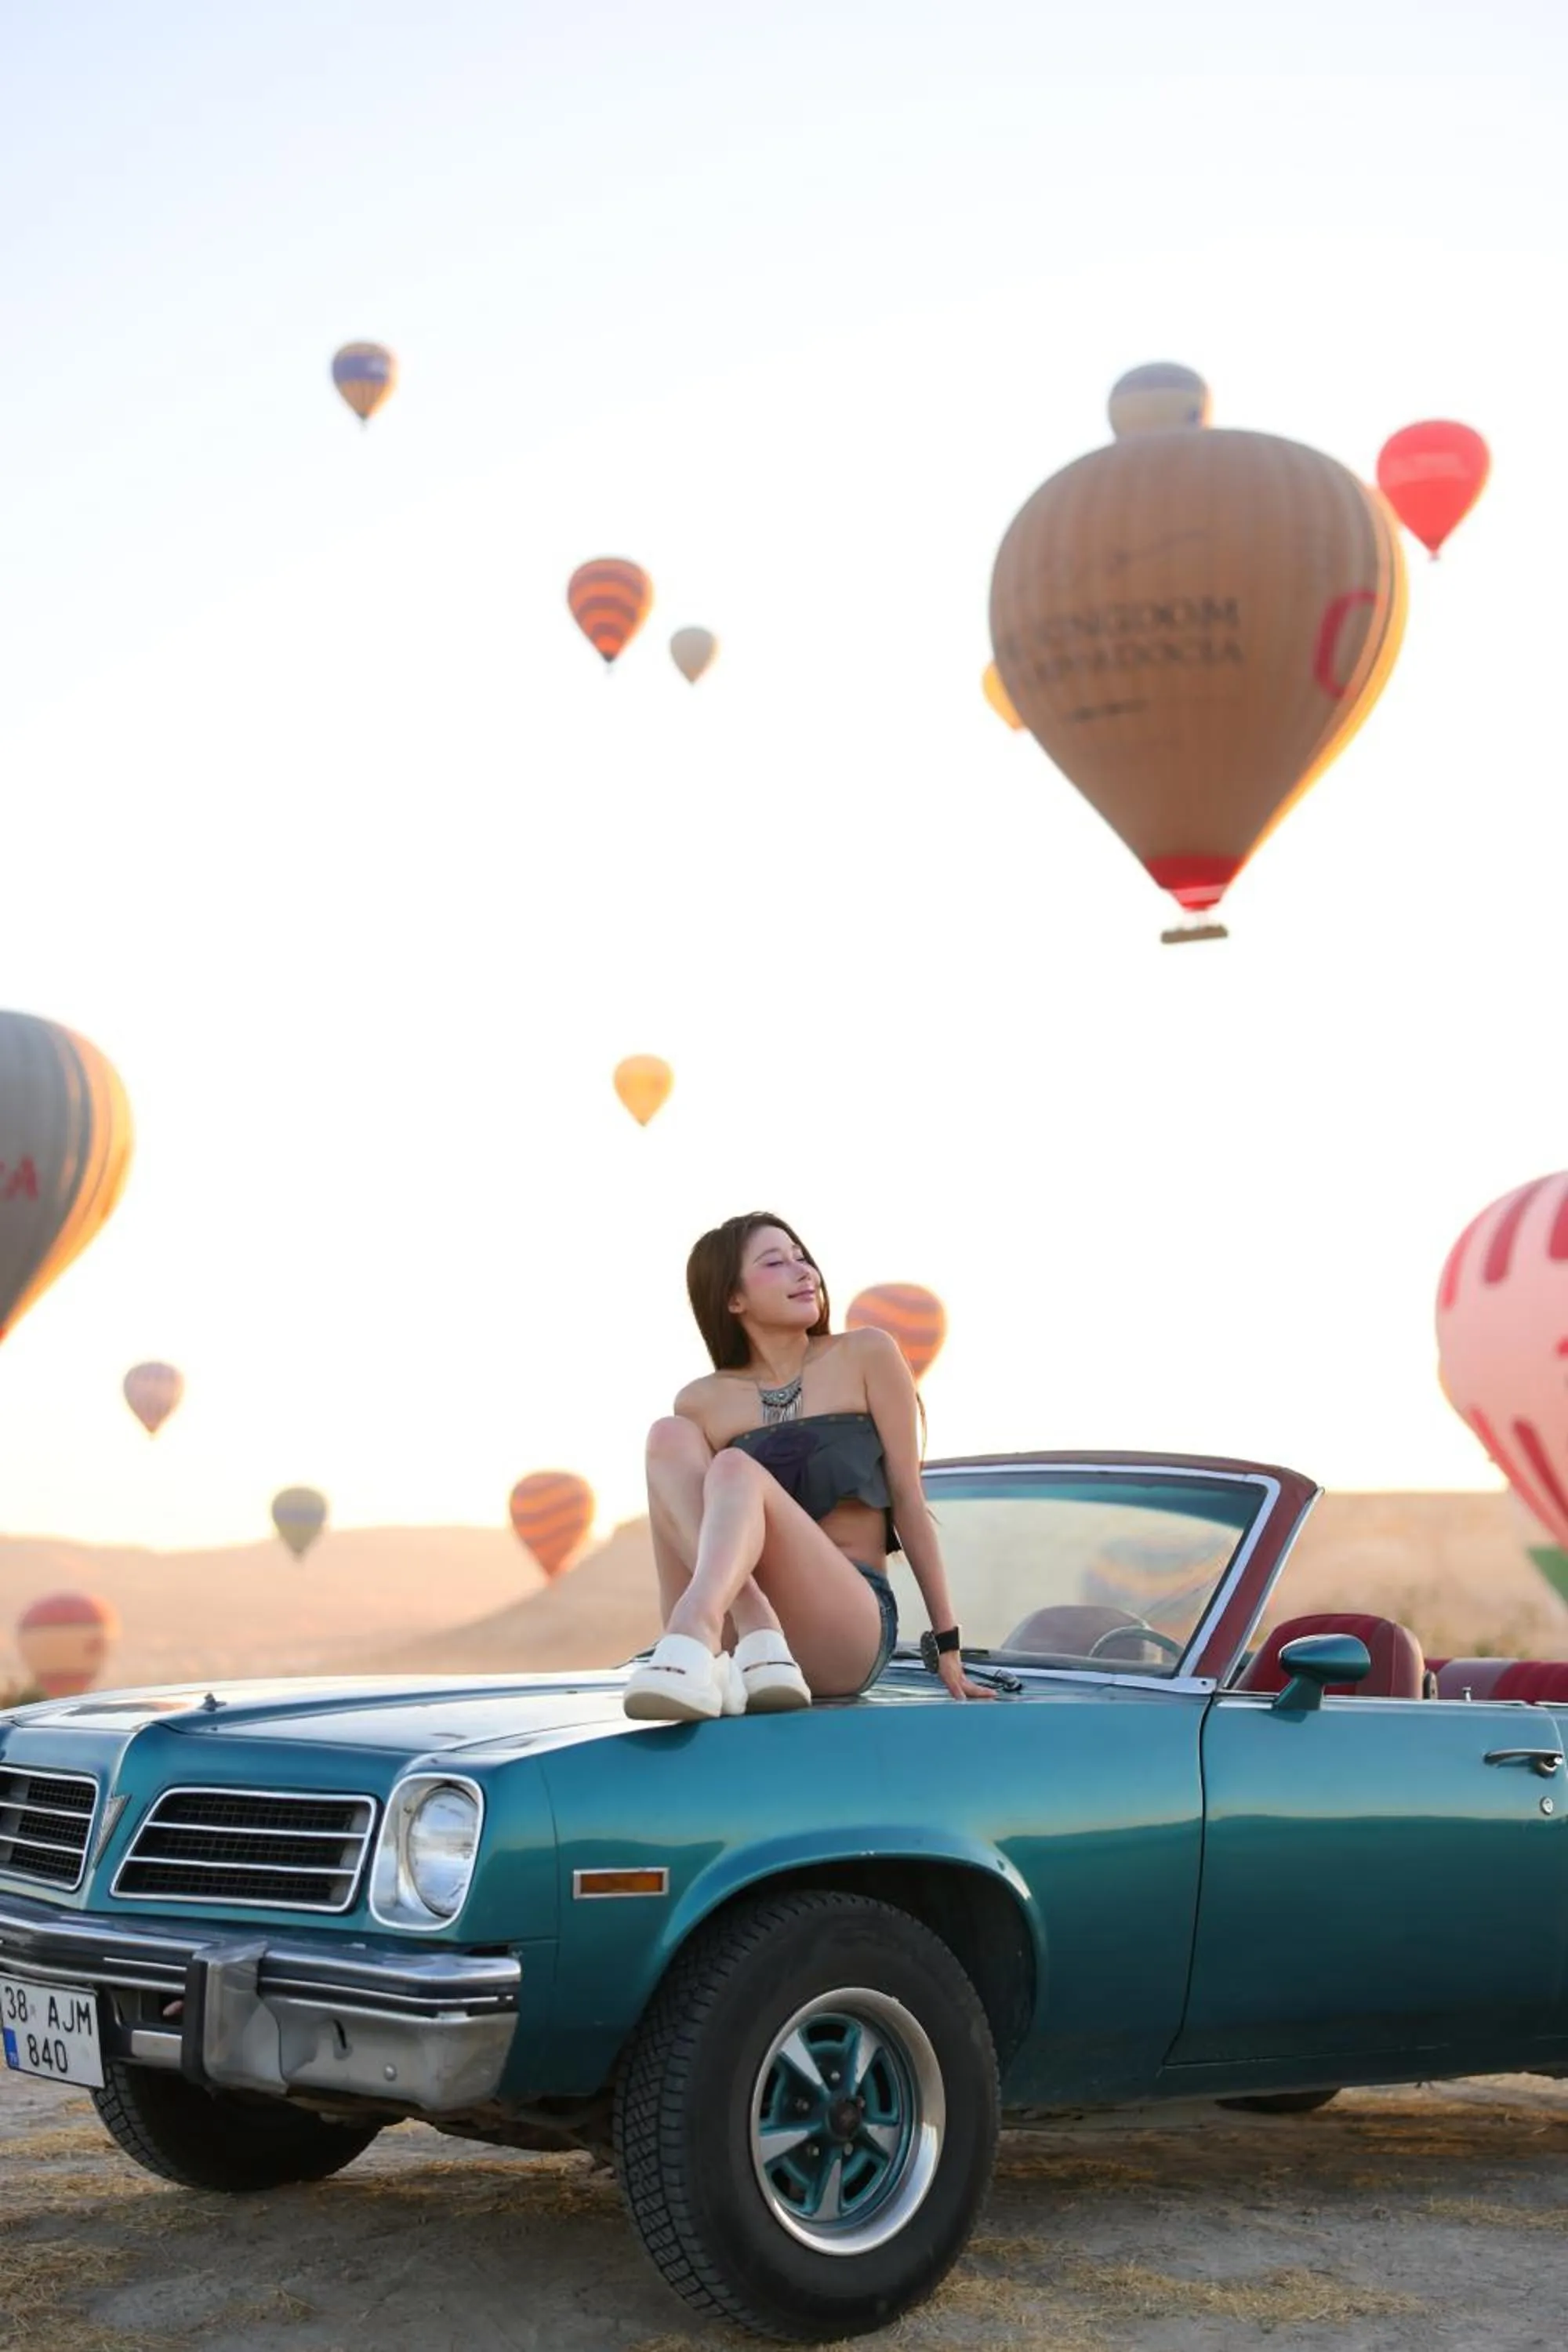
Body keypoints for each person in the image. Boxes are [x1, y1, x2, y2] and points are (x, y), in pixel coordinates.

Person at [624, 1210, 993, 1721]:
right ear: (733, 1299)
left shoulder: (866, 1353)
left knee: (732, 1468)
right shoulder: (701, 1402)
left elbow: (909, 1498)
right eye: (775, 1262)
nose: (804, 1272)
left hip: (845, 1627)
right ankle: (746, 1623)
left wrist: (947, 1644)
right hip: (743, 1642)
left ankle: (696, 1627)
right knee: (666, 1436)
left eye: (802, 1258)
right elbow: (688, 1525)